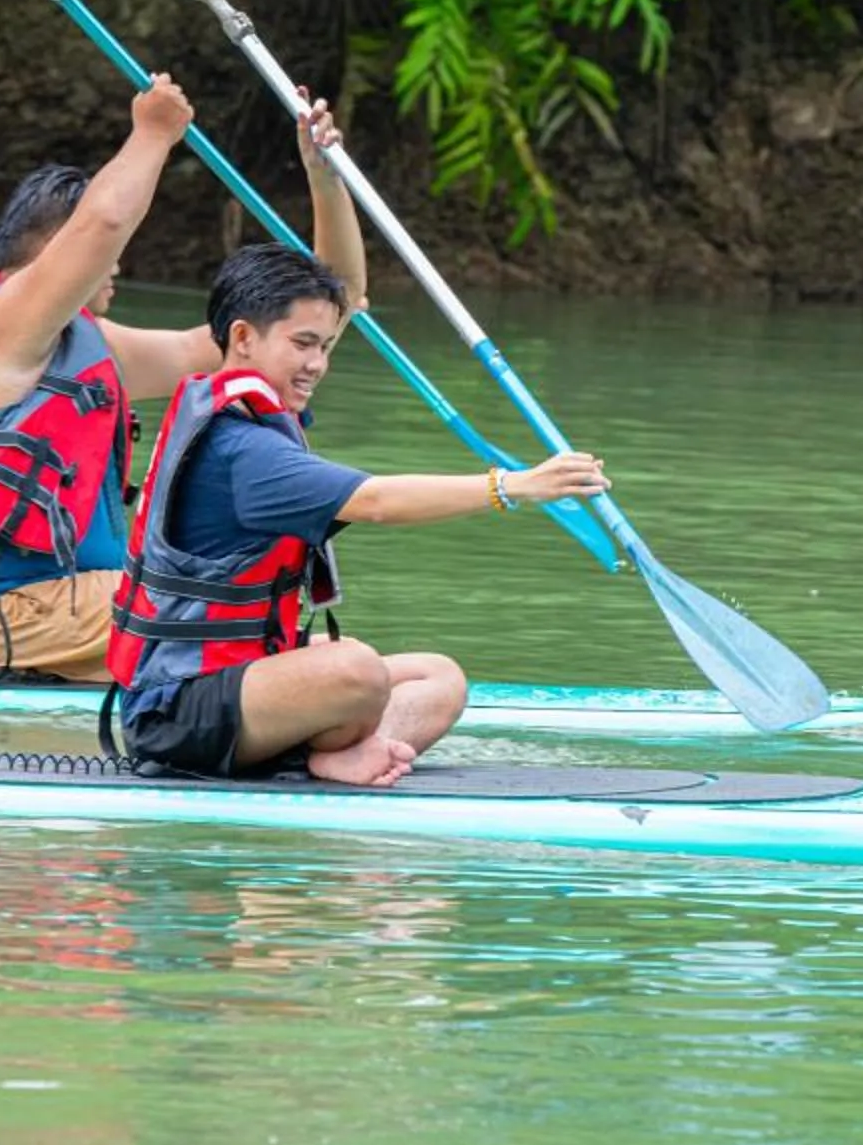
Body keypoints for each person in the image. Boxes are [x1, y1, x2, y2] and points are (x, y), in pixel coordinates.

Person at [104, 243, 611, 786]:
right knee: (357, 669)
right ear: (244, 338)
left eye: (325, 346)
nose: (318, 364)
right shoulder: (240, 449)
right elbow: (376, 502)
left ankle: (345, 754)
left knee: (439, 678)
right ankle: (318, 757)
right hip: (176, 713)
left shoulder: (247, 413)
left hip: (236, 674)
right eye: (303, 344)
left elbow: (344, 281)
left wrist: (326, 176)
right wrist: (513, 486)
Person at [0, 75, 365, 680]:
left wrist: (323, 177)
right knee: (264, 633)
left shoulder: (93, 346)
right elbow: (101, 225)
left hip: (75, 609)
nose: (118, 262)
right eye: (105, 252)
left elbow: (327, 305)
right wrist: (153, 132)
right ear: (59, 251)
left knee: (297, 646)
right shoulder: (3, 327)